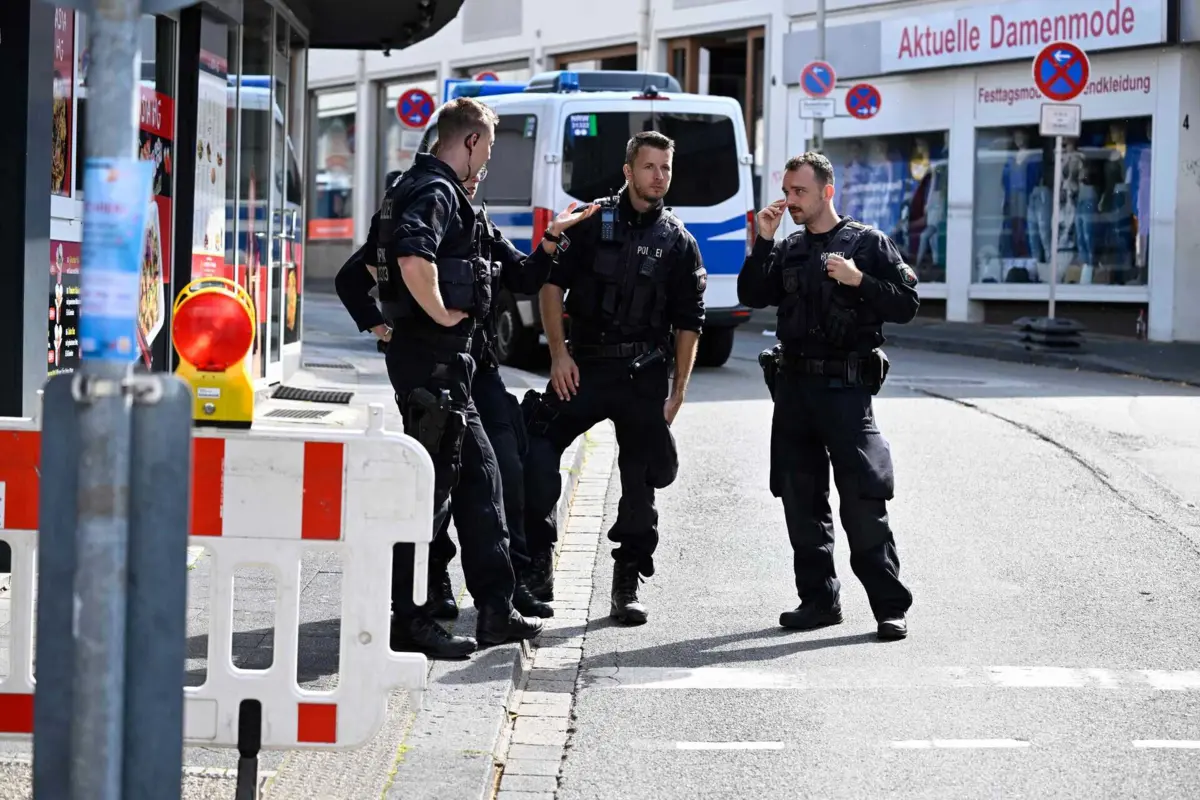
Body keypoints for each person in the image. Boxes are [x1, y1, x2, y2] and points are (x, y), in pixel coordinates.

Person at [368, 96, 542, 658]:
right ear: (469, 141)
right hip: (434, 367)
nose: (487, 157)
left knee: (482, 484)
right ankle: (408, 619)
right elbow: (411, 256)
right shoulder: (436, 190)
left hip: (447, 370)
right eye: (487, 146)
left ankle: (495, 612)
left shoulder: (421, 187)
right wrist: (442, 314)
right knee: (431, 496)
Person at [521, 131, 707, 625]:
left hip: (642, 374)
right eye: (649, 167)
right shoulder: (589, 223)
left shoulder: (678, 241)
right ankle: (537, 563)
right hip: (582, 367)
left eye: (666, 168)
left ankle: (627, 579)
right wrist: (558, 355)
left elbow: (690, 322)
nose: (659, 177)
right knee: (535, 445)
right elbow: (550, 287)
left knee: (641, 478)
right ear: (628, 171)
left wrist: (678, 392)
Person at [737, 151, 918, 641]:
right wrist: (763, 241)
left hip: (845, 392)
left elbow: (907, 303)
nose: (790, 200)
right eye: (787, 191)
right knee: (801, 500)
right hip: (794, 391)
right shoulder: (788, 248)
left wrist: (860, 280)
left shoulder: (868, 243)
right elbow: (752, 295)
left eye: (800, 191)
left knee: (862, 502)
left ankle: (889, 606)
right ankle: (818, 601)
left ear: (827, 192)